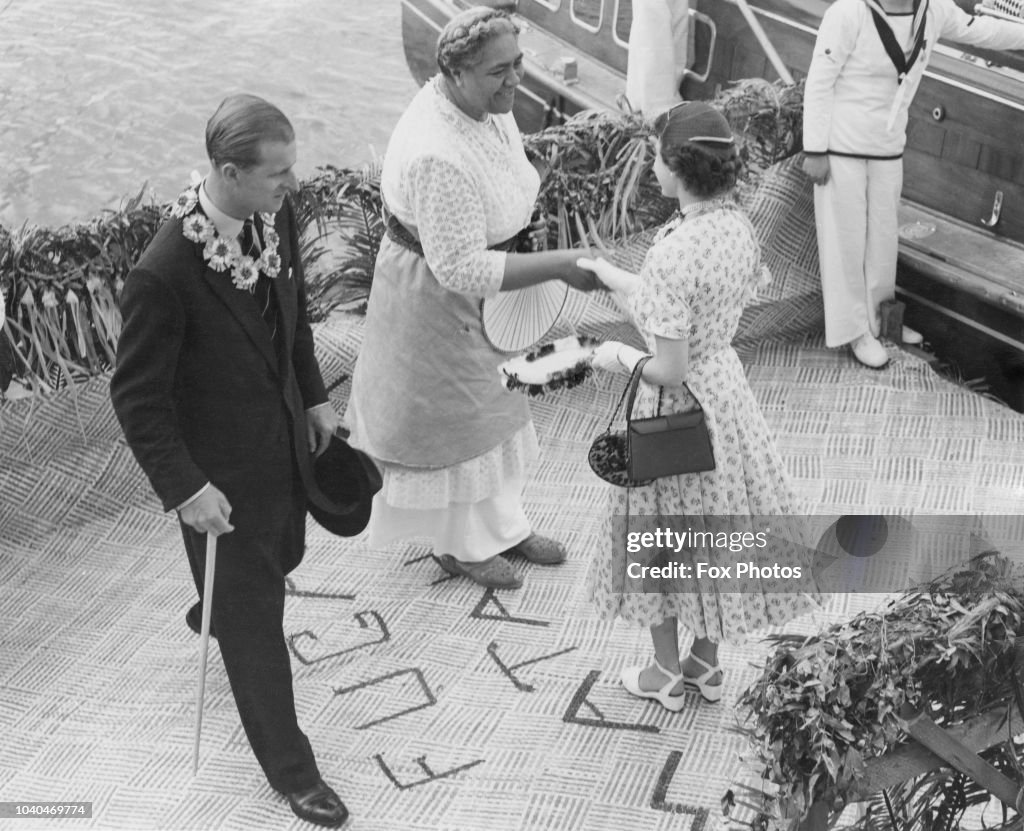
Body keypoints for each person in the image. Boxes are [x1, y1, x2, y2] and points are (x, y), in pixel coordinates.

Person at [110, 94, 349, 827]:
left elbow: (294, 312)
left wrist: (312, 397)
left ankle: (213, 606)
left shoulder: (268, 214)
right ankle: (293, 770)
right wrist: (187, 491)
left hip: (278, 446)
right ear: (227, 170)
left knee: (284, 554)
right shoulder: (163, 272)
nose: (290, 181)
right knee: (256, 624)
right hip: (218, 481)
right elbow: (137, 399)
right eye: (277, 172)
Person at [345, 7, 599, 591]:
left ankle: (504, 527)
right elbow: (459, 266)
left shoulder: (485, 105)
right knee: (457, 426)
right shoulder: (437, 151)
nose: (516, 80)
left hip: (488, 286)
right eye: (498, 72)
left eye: (518, 64)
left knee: (497, 408)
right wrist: (558, 265)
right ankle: (460, 546)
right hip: (437, 301)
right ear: (456, 74)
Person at [578, 103, 817, 711]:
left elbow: (667, 364)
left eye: (657, 156)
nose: (652, 165)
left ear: (678, 169)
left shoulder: (670, 252)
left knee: (656, 535)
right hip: (725, 393)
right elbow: (689, 309)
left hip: (674, 408)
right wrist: (613, 276)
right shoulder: (736, 226)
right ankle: (704, 664)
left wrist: (612, 355)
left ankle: (663, 673)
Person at [802, 0, 1024, 368]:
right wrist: (815, 149)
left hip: (888, 147)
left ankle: (881, 319)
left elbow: (981, 30)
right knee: (846, 240)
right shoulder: (847, 13)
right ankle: (854, 331)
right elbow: (820, 81)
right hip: (841, 146)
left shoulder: (932, 10)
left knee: (883, 239)